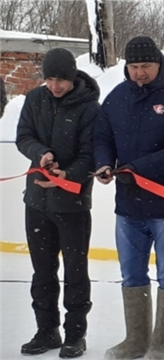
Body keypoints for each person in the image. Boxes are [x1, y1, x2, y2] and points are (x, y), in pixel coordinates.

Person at [93, 36, 164, 360]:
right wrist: (105, 164)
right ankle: (136, 340)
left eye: (145, 66)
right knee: (132, 273)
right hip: (128, 206)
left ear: (159, 63)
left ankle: (162, 345)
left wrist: (136, 168)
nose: (139, 73)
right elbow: (101, 137)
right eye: (134, 67)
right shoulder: (117, 97)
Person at [16, 48, 100, 358]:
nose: (54, 86)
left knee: (75, 271)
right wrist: (42, 154)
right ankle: (46, 330)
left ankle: (75, 334)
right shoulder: (34, 100)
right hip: (37, 202)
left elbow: (91, 153)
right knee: (42, 271)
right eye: (49, 79)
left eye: (60, 80)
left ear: (73, 76)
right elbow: (23, 135)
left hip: (72, 204)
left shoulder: (90, 108)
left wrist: (66, 175)